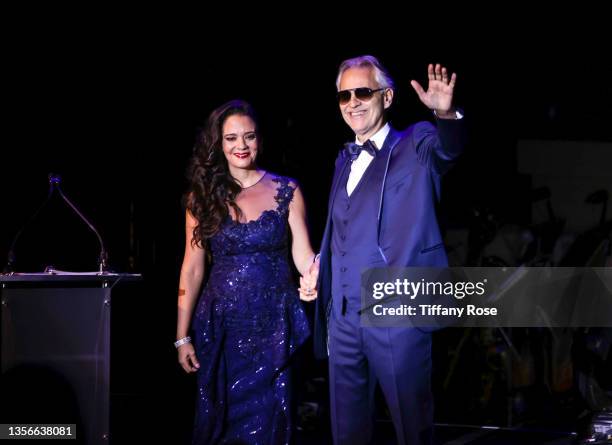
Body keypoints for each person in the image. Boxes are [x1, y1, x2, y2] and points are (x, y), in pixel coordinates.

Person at [307, 56, 466, 444]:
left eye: (363, 91)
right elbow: (340, 230)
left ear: (388, 96)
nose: (353, 102)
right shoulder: (342, 160)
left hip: (396, 312)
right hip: (343, 318)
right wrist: (319, 270)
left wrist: (446, 115)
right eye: (344, 95)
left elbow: (449, 151)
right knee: (347, 433)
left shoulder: (416, 143)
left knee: (412, 429)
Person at [175, 99, 316, 444]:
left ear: (259, 140)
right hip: (222, 326)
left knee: (272, 419)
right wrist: (182, 337)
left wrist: (313, 276)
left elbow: (304, 254)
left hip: (273, 326)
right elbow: (192, 270)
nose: (241, 146)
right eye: (231, 138)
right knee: (221, 421)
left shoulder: (287, 190)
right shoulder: (201, 197)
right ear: (218, 143)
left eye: (249, 137)